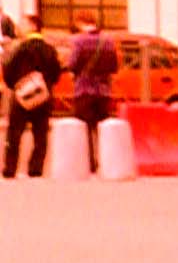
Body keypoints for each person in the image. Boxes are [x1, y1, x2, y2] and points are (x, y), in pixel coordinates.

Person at [3, 14, 61, 179]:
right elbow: (56, 72)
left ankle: (10, 169)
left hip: (21, 97)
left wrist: (16, 86)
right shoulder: (49, 49)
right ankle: (35, 169)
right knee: (40, 134)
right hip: (43, 97)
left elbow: (8, 70)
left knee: (14, 133)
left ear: (33, 26)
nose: (19, 27)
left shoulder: (21, 48)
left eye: (24, 24)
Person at [67, 12, 116, 173]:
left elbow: (72, 64)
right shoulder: (108, 41)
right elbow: (114, 66)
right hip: (104, 90)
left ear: (81, 23)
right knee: (103, 128)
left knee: (85, 128)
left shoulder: (78, 41)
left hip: (84, 89)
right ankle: (108, 161)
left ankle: (90, 163)